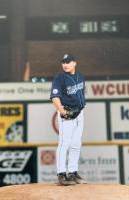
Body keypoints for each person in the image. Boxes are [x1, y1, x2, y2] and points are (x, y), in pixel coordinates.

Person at [50, 53, 87, 186]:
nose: (65, 64)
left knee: (76, 144)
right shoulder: (59, 78)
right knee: (64, 143)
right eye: (64, 62)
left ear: (74, 63)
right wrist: (62, 111)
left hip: (79, 113)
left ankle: (72, 173)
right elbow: (55, 96)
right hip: (67, 113)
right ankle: (61, 174)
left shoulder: (80, 77)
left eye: (68, 62)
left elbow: (81, 95)